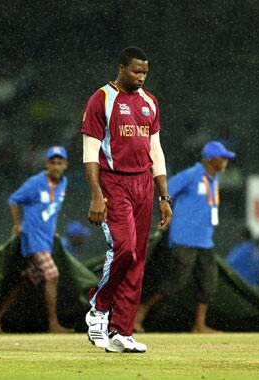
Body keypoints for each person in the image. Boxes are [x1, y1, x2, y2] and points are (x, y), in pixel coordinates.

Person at [82, 46, 172, 353]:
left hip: (144, 183)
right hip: (113, 181)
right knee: (125, 249)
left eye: (145, 72)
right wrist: (96, 195)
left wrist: (164, 195)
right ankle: (98, 308)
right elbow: (89, 153)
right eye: (136, 71)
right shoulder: (101, 100)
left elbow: (156, 151)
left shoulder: (150, 103)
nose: (141, 77)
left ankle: (122, 331)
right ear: (121, 67)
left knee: (138, 260)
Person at [134, 140, 236, 334]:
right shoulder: (192, 175)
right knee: (177, 281)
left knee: (209, 281)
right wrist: (167, 213)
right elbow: (167, 191)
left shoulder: (213, 179)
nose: (225, 161)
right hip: (183, 237)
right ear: (210, 158)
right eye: (222, 157)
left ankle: (199, 324)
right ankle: (141, 312)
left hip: (204, 240)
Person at [0, 146, 72, 334]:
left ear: (66, 165)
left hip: (46, 240)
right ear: (46, 164)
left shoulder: (64, 183)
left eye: (59, 162)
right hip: (33, 238)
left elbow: (53, 209)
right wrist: (18, 224)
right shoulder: (35, 182)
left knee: (25, 282)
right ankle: (53, 324)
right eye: (52, 162)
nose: (55, 166)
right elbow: (13, 199)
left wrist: (53, 230)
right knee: (52, 275)